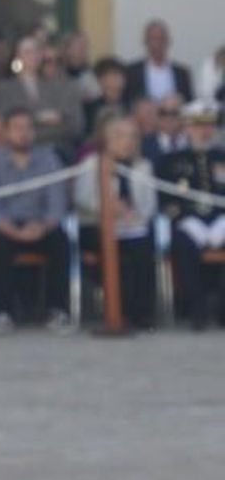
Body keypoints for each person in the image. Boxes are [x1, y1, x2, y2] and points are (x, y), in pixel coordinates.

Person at [0, 108, 72, 332]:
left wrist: (42, 225)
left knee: (60, 241)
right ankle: (1, 313)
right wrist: (11, 229)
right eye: (17, 128)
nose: (23, 133)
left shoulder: (49, 158)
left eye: (28, 128)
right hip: (5, 226)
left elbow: (57, 201)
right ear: (6, 132)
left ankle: (57, 310)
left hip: (40, 224)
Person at [75, 115, 159, 330]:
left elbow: (149, 205)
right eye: (120, 136)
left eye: (131, 136)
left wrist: (133, 213)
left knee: (143, 245)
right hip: (96, 225)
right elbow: (83, 198)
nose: (127, 141)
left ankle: (142, 314)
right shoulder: (90, 164)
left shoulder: (143, 166)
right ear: (106, 139)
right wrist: (109, 208)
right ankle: (118, 312)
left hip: (132, 225)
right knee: (114, 249)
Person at [156, 101, 225, 329]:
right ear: (186, 127)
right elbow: (166, 198)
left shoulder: (220, 157)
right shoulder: (171, 160)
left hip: (221, 219)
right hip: (188, 220)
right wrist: (185, 219)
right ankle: (197, 310)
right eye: (197, 126)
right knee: (183, 243)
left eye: (209, 126)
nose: (204, 131)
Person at [0, 34, 85, 157]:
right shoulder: (4, 89)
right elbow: (5, 125)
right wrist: (40, 119)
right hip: (19, 155)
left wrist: (29, 128)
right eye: (27, 52)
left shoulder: (54, 85)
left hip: (54, 152)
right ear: (18, 56)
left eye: (35, 51)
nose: (32, 56)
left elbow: (69, 125)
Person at [125, 19, 193, 105]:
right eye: (152, 39)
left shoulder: (181, 73)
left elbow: (190, 103)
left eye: (161, 39)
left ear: (168, 41)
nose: (156, 44)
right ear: (145, 42)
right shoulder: (132, 72)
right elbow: (128, 102)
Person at [85, 56, 127, 137]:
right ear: (100, 79)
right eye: (114, 74)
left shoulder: (130, 104)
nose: (119, 78)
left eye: (121, 74)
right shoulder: (91, 108)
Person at [141, 94, 186, 164]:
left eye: (174, 113)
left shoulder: (193, 142)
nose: (169, 118)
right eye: (163, 113)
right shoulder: (144, 146)